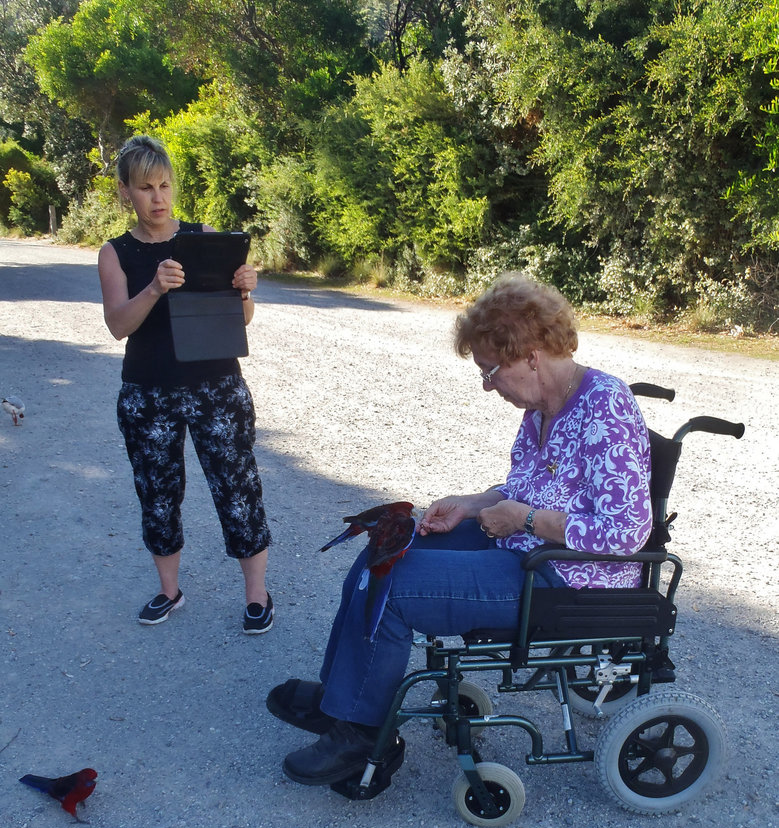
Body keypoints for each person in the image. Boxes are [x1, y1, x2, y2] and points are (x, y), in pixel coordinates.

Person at [268, 273, 652, 785]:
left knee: (399, 586)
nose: (489, 386)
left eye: (491, 371)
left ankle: (362, 736)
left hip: (568, 580)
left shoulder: (605, 407)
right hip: (526, 548)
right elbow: (522, 485)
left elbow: (627, 531)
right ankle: (343, 694)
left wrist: (525, 519)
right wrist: (470, 506)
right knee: (390, 545)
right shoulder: (542, 407)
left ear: (532, 355)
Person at [98, 135, 273, 633]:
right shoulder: (115, 254)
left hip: (216, 385)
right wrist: (154, 286)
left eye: (165, 185)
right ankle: (168, 591)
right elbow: (118, 325)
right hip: (148, 392)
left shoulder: (203, 239)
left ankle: (257, 596)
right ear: (125, 193)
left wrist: (245, 291)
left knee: (237, 488)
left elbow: (240, 318)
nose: (158, 197)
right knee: (157, 492)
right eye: (146, 187)